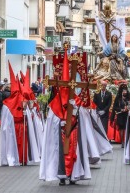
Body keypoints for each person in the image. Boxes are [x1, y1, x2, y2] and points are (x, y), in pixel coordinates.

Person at [40, 51, 92, 185]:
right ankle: (62, 176)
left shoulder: (75, 100)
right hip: (60, 135)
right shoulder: (54, 104)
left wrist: (74, 111)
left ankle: (74, 175)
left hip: (74, 131)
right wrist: (62, 123)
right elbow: (51, 122)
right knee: (60, 154)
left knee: (75, 153)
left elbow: (82, 117)